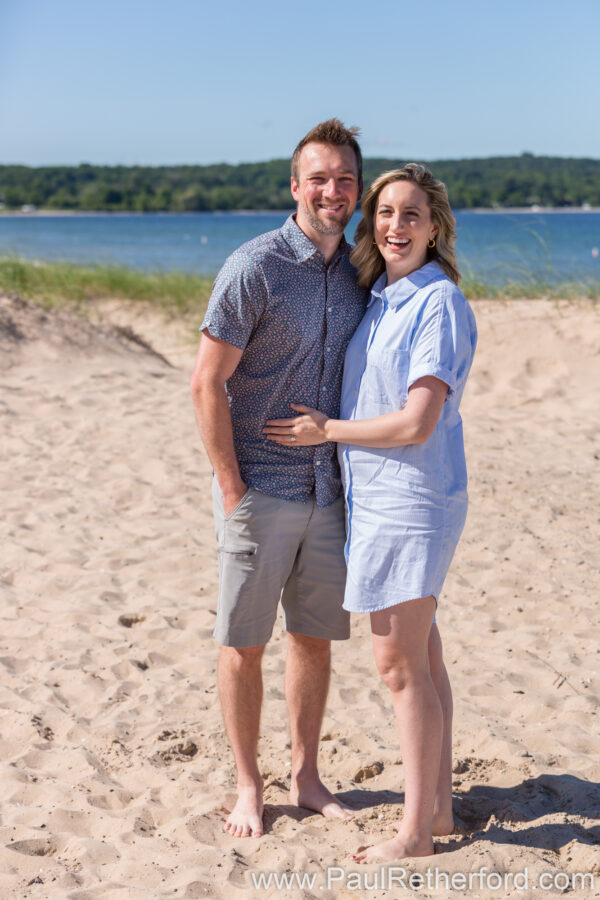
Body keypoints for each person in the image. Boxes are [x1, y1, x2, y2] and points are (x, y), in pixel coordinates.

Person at [264, 163, 477, 861]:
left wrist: (327, 430)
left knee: (398, 666)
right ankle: (438, 810)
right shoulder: (384, 295)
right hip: (380, 498)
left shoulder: (437, 302)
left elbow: (417, 422)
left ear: (435, 227)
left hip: (413, 501)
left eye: (412, 215)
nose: (395, 226)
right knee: (424, 655)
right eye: (385, 213)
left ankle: (414, 833)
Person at [190, 119, 369, 839]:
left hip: (328, 490)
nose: (332, 190)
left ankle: (306, 775)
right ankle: (246, 783)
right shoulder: (254, 267)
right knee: (244, 642)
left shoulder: (361, 270)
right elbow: (206, 384)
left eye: (345, 179)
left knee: (315, 640)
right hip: (259, 488)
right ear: (294, 187)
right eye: (318, 177)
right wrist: (232, 488)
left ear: (357, 190)